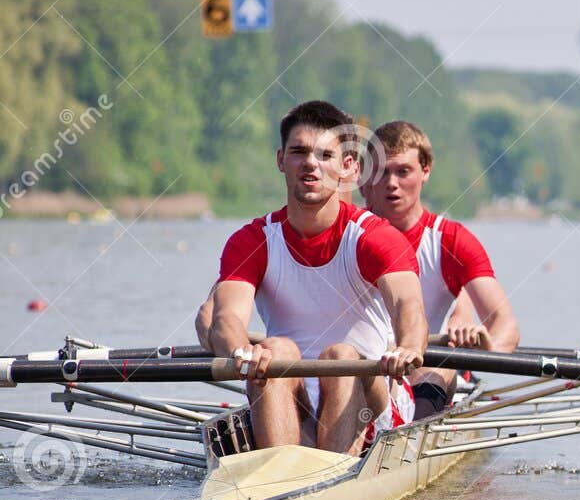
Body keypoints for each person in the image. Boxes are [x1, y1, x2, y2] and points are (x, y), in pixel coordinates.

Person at [206, 100, 427, 454]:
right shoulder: (251, 241)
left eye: (325, 155)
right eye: (299, 152)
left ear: (347, 166)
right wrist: (241, 351)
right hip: (290, 399)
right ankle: (283, 471)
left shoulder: (375, 238)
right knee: (275, 350)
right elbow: (226, 319)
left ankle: (327, 471)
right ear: (281, 160)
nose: (311, 163)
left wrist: (409, 347)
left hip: (371, 399)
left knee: (339, 355)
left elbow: (407, 304)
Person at [358, 120, 521, 417]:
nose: (392, 183)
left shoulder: (451, 240)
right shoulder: (349, 234)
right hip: (362, 369)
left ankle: (411, 431)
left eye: (403, 171)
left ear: (426, 170)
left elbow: (506, 325)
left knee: (441, 363)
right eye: (382, 172)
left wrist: (487, 347)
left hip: (426, 370)